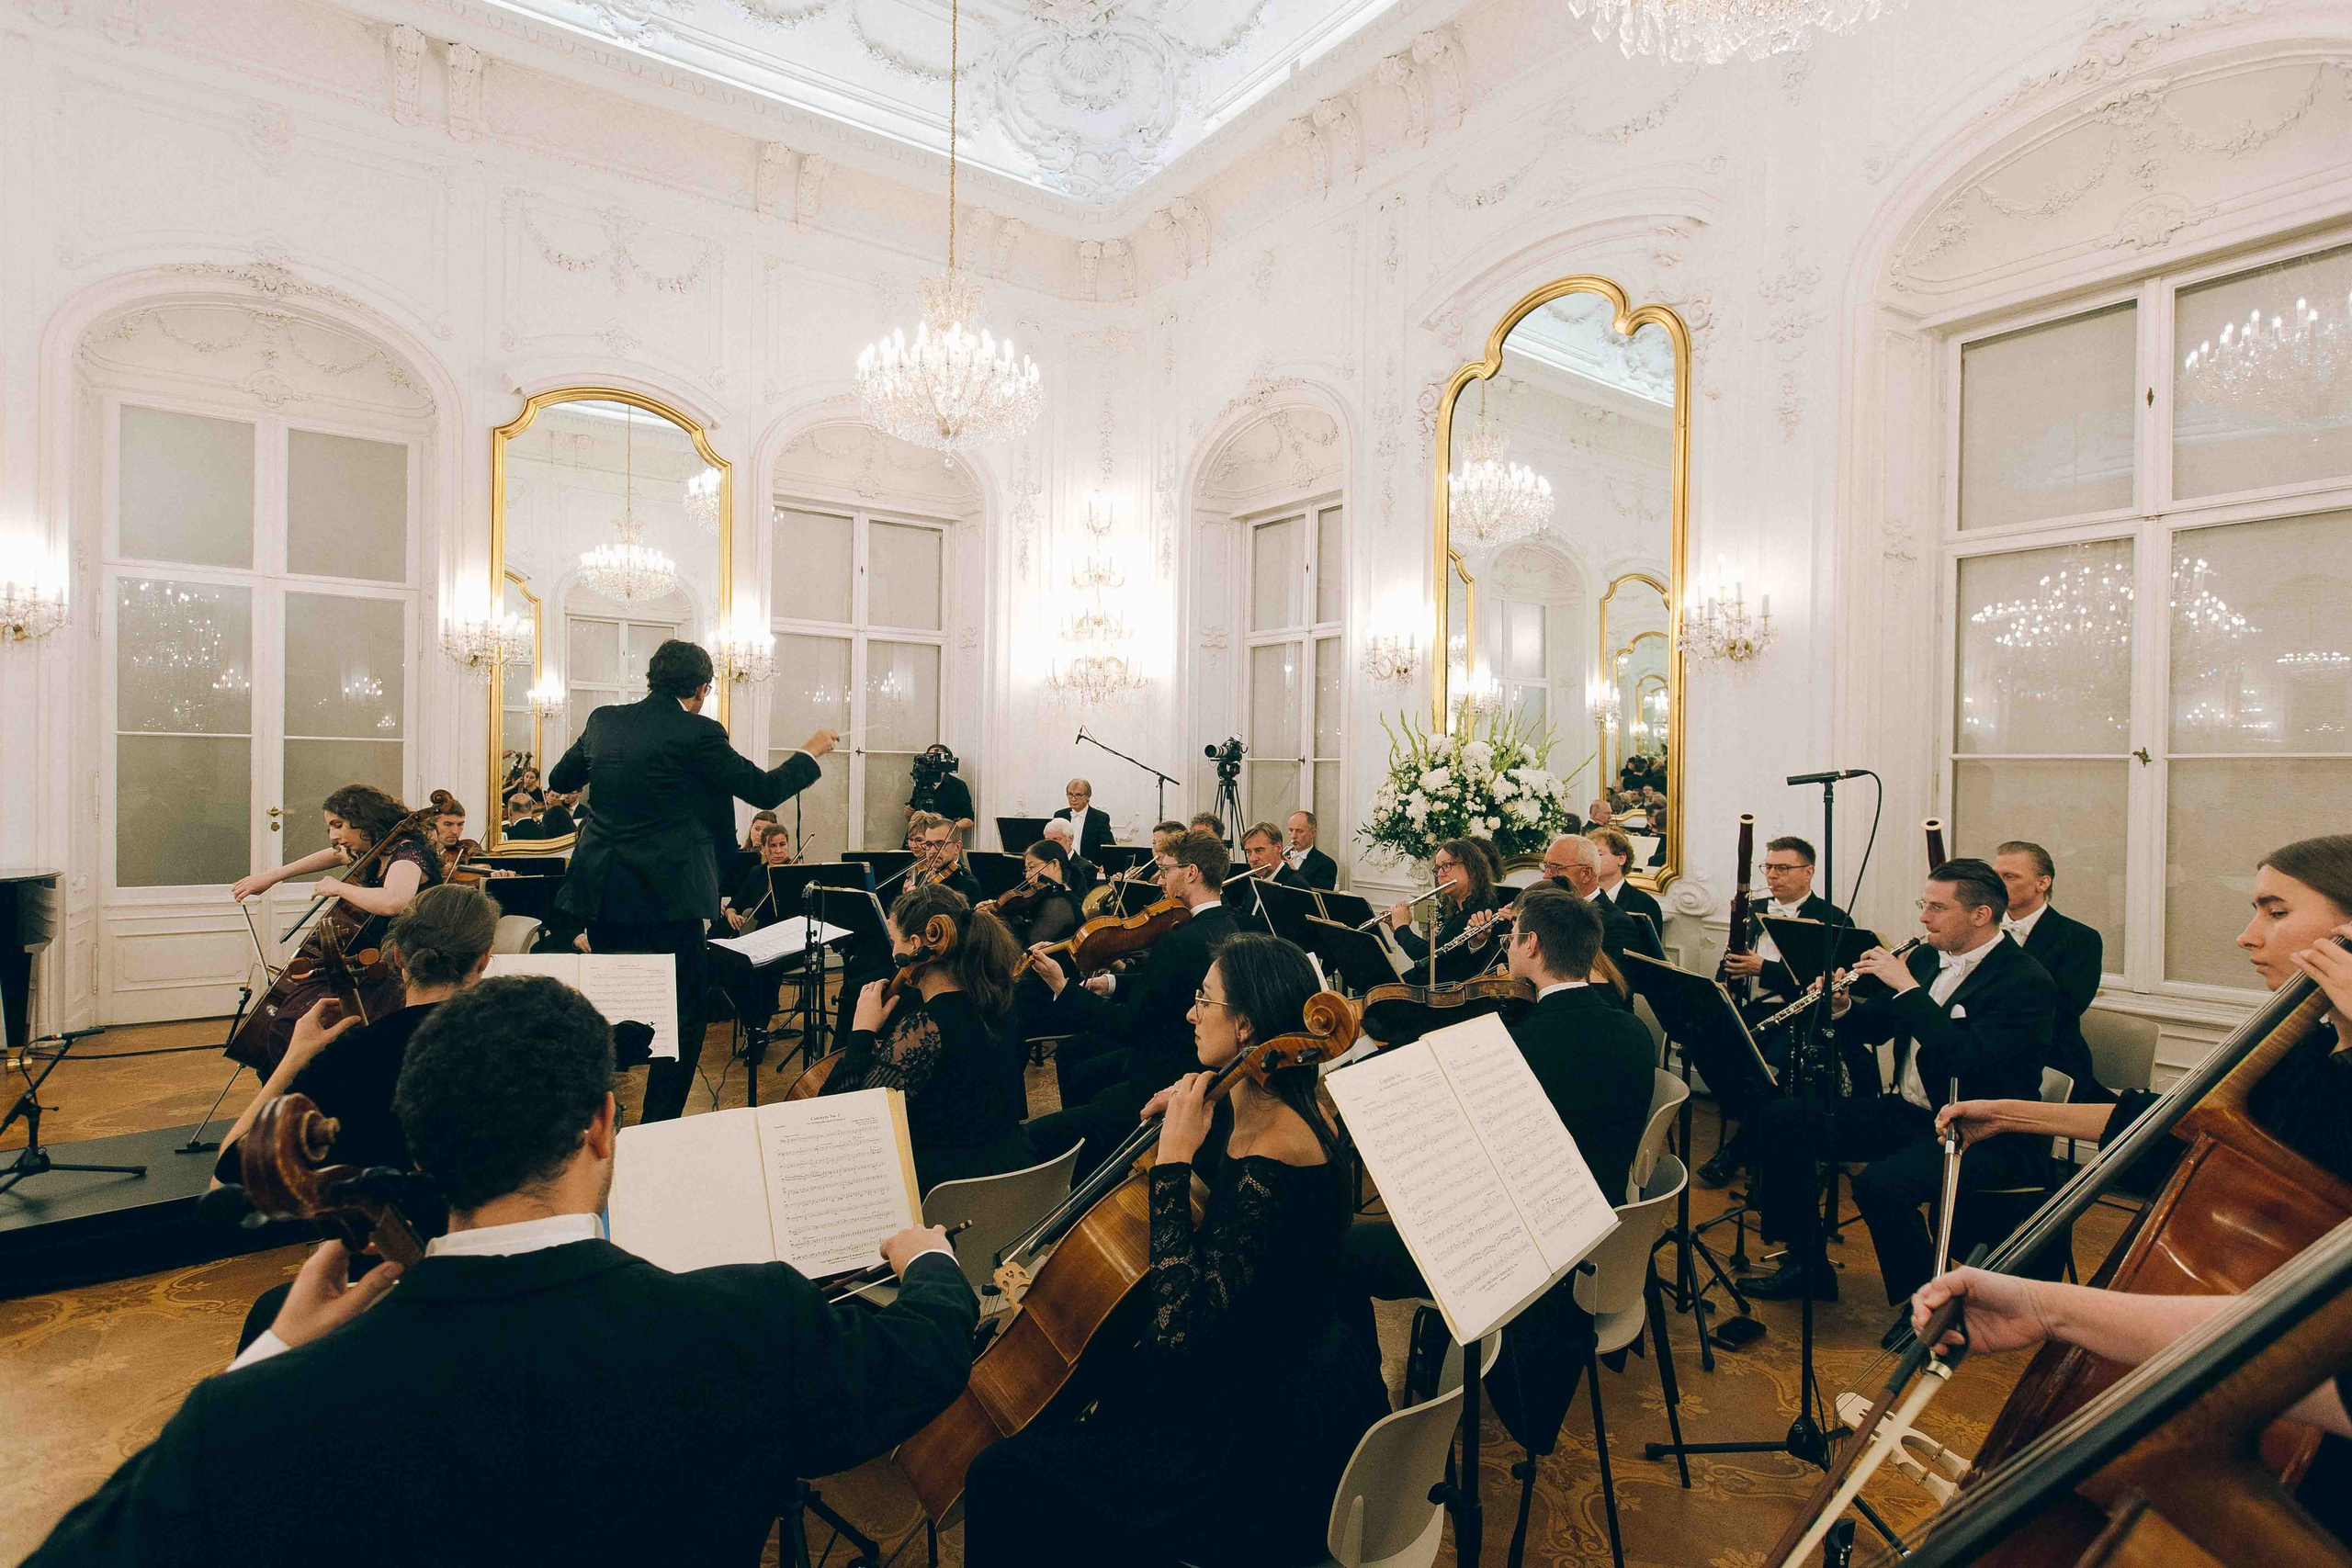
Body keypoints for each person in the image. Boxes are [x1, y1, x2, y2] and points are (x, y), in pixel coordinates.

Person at [24, 975, 976, 1568]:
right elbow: (916, 1359)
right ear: (600, 1124)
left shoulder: (269, 1402)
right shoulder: (749, 1322)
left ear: (421, 1145)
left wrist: (266, 1360)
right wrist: (931, 1263)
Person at [963, 934, 1387, 1568]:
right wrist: (1203, 1099)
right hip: (1284, 1370)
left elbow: (1178, 1324)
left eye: (1204, 1000)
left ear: (1245, 1026)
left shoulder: (1273, 1154)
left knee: (999, 1474)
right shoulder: (1284, 1104)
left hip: (1249, 1446)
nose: (1190, 1013)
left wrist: (1173, 1162)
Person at [1340, 888, 1655, 1479]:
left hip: (1508, 1250)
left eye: (1511, 939)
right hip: (1593, 1236)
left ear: (1530, 945)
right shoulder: (1634, 1034)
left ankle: (1363, 1414)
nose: (1507, 948)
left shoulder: (1518, 1045)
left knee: (1337, 1251)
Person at [1940, 833, 2352, 1197]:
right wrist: (2005, 1114)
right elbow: (2183, 1121)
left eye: (2277, 913)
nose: (2246, 937)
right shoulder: (2308, 1046)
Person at [1744, 858, 2057, 1305]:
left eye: (1937, 907)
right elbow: (1879, 1027)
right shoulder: (1929, 957)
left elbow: (1965, 1060)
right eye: (1923, 904)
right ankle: (1808, 1266)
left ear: (1980, 914)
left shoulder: (2024, 980)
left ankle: (1926, 1304)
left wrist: (1908, 989)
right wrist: (1841, 1006)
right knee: (1781, 1119)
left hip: (1980, 1130)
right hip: (1913, 1113)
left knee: (1880, 1185)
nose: (1924, 918)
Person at [548, 637, 836, 1123]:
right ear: (702, 688)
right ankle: (658, 1125)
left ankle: (598, 1119)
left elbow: (561, 777)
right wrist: (810, 752)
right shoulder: (699, 733)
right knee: (680, 1018)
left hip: (603, 895)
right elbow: (764, 789)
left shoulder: (603, 721)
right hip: (668, 901)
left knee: (614, 1007)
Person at [209, 884, 503, 1343]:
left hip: (383, 1280)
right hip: (506, 1272)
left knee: (269, 1314)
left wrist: (293, 1060)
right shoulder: (517, 1044)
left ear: (398, 958)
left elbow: (225, 1184)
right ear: (483, 961)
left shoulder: (349, 1061)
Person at [1023, 830, 1240, 1181]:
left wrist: (1063, 987)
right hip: (1184, 1060)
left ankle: (1091, 1184)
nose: (1160, 879)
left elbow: (1128, 1026)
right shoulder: (1228, 923)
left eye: (1166, 870)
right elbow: (1168, 989)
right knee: (1082, 1073)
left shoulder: (1179, 941)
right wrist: (1112, 982)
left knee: (1042, 1134)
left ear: (1191, 873)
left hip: (1160, 1075)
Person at [831, 884, 1031, 1193]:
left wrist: (861, 1033)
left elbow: (850, 1124)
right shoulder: (998, 1000)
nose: (892, 950)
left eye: (895, 940)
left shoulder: (927, 1026)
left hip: (944, 1188)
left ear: (914, 945)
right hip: (1001, 1175)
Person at [1702, 834, 1848, 1187]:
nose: (1772, 875)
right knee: (1702, 1045)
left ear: (1809, 871)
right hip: (1754, 1010)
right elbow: (1731, 960)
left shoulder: (1832, 918)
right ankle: (1757, 1125)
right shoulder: (1753, 909)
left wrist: (1763, 969)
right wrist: (1726, 980)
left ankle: (1739, 1150)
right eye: (1768, 867)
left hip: (1802, 1017)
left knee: (1771, 1069)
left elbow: (1825, 983)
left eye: (1782, 868)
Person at [1993, 840, 2108, 1103]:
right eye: (1994, 876)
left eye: (2009, 876)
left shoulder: (2080, 938)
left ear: (2042, 883)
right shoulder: (1979, 929)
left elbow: (2063, 1010)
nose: (1997, 885)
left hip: (2050, 1060)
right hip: (1986, 1056)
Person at [1383, 839, 1500, 985]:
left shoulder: (1479, 910)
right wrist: (1398, 928)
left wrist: (1402, 928)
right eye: (1438, 868)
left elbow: (1427, 956)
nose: (1440, 874)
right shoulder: (1457, 908)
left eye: (1447, 865)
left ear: (1472, 868)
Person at [978, 840, 1081, 949]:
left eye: (1032, 867)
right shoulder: (1046, 897)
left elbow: (1027, 949)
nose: (1028, 876)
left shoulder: (1059, 904)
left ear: (1054, 865)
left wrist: (998, 921)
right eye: (1026, 870)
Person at [1227, 820, 1309, 932]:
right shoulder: (1258, 879)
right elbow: (1244, 913)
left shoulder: (1293, 885)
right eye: (1249, 852)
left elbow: (1264, 928)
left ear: (1278, 848)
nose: (1253, 859)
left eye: (1259, 850)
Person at [1588, 825, 1664, 932]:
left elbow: (1648, 943)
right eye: (1589, 855)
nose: (1591, 860)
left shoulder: (1645, 904)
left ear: (1621, 859)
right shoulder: (1579, 898)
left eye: (1599, 854)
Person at [907, 743, 975, 840]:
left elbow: (968, 820)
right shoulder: (921, 782)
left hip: (942, 839)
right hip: (918, 837)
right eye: (930, 757)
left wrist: (948, 830)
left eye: (937, 757)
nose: (933, 761)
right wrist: (909, 812)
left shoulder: (957, 786)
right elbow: (912, 812)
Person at [920, 814, 986, 906]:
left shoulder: (967, 884)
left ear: (957, 847)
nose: (933, 850)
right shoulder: (923, 876)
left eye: (940, 844)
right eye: (929, 844)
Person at [1053, 777, 1117, 859]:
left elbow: (1108, 847)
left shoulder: (1100, 818)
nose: (1073, 799)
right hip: (1063, 863)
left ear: (1088, 796)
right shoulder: (1059, 815)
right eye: (1070, 794)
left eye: (1078, 795)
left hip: (1089, 864)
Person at [1037, 818, 1099, 901]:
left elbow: (1084, 902)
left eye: (1056, 839)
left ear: (1070, 839)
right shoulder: (1042, 865)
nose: (1051, 845)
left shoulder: (1086, 867)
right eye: (1048, 840)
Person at [1283, 810, 1338, 890]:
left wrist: (1293, 873)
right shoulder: (1283, 857)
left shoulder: (1327, 864)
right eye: (1291, 830)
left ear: (1312, 833)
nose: (1293, 836)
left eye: (1299, 831)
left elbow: (1318, 896)